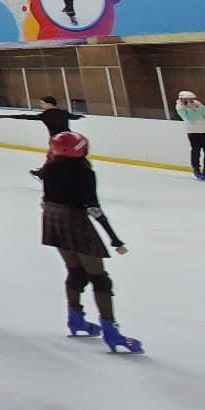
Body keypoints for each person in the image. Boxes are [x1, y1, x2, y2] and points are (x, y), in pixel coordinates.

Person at [35, 130, 142, 353]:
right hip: (73, 219)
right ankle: (112, 333)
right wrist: (114, 238)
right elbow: (93, 207)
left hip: (52, 217)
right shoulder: (84, 173)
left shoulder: (49, 168)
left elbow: (45, 198)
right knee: (99, 278)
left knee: (75, 270)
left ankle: (75, 319)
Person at [173, 91, 205, 180]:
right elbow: (189, 119)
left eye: (192, 99)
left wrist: (197, 107)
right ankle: (197, 170)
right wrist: (191, 109)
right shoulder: (180, 107)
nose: (191, 101)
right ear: (183, 99)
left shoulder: (197, 103)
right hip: (193, 132)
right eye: (188, 99)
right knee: (196, 152)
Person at [0, 95, 81, 139]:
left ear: (49, 104)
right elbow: (74, 117)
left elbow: (25, 117)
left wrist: (7, 116)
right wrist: (80, 116)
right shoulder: (64, 112)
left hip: (56, 139)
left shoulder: (45, 115)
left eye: (42, 104)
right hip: (69, 136)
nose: (41, 105)